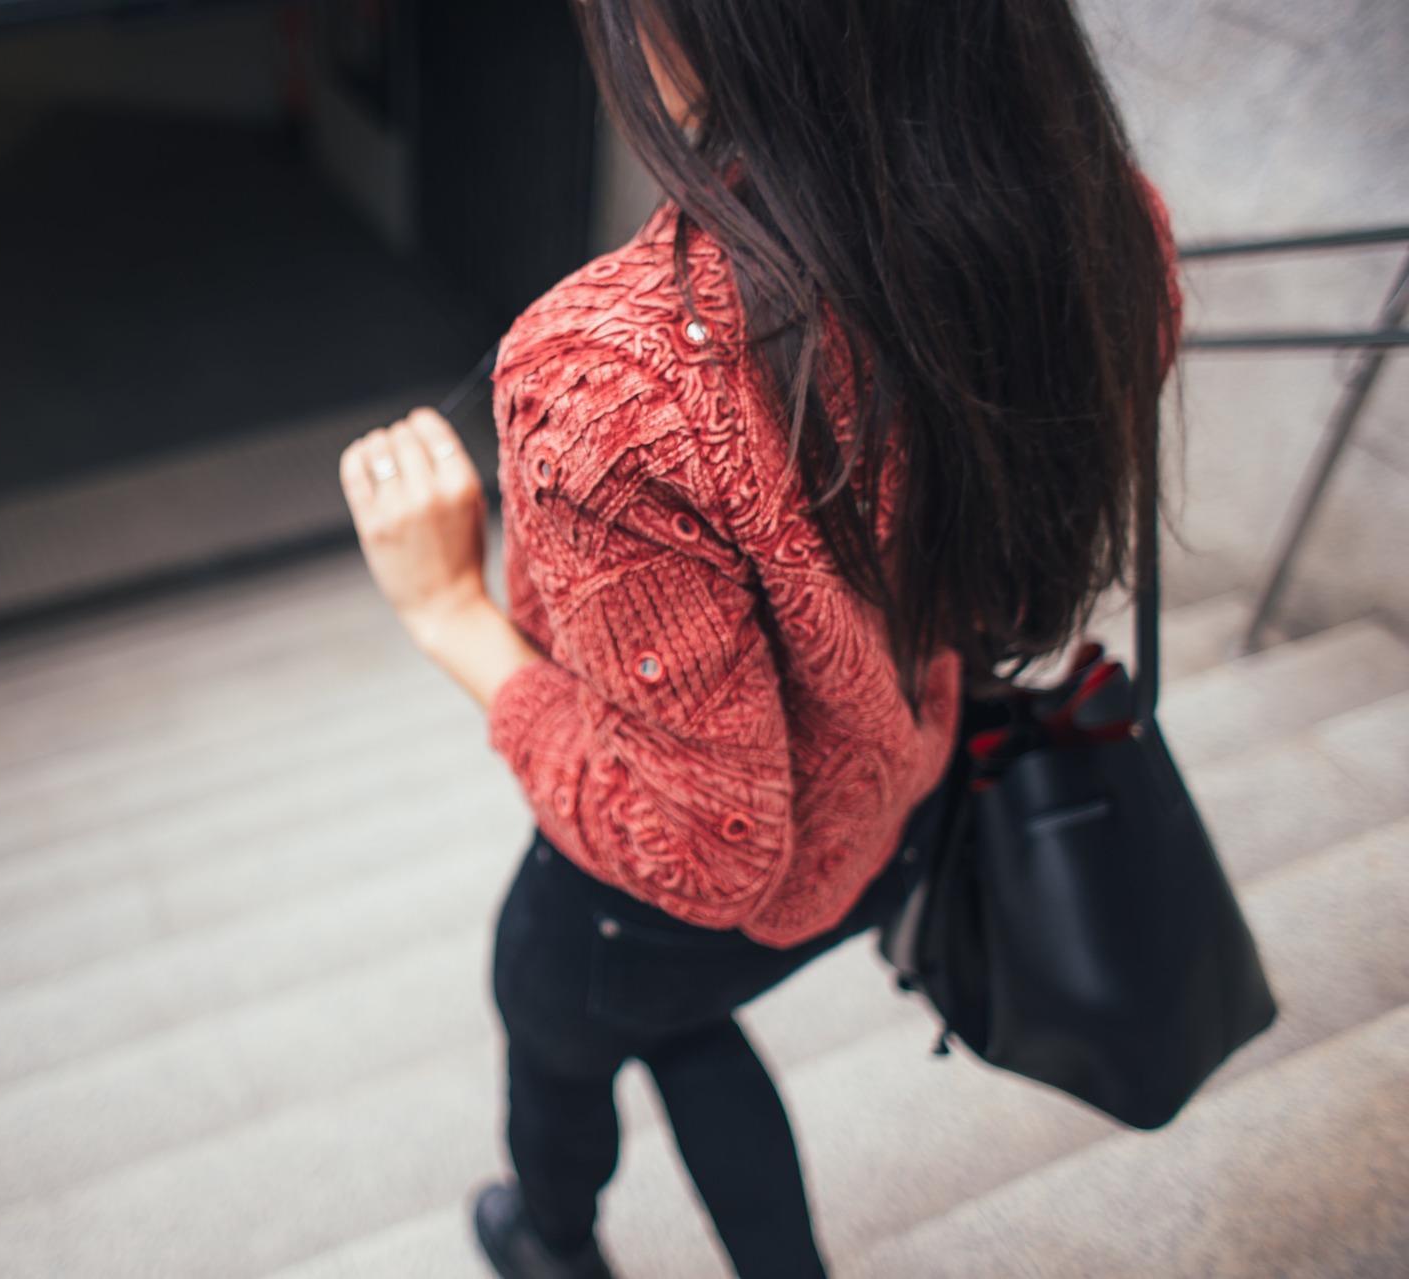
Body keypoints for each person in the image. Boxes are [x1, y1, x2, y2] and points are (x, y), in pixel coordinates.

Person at [338, 0, 1180, 1275]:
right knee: (676, 1024)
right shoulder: (1097, 214)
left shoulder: (614, 386)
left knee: (560, 1018)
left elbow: (701, 850)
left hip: (678, 899)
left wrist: (445, 608)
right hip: (901, 793)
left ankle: (550, 1236)